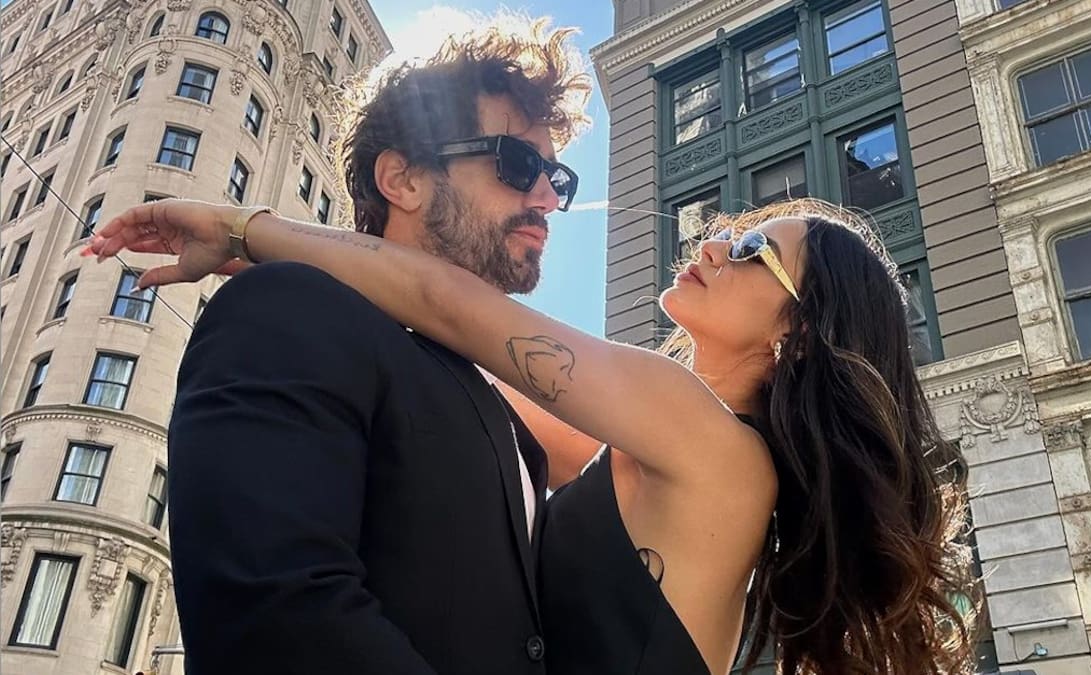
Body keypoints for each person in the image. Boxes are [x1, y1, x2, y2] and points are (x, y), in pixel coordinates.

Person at [89, 192, 981, 673]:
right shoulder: (661, 449)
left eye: (754, 254)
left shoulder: (705, 437)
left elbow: (450, 305)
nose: (713, 243)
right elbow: (443, 379)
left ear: (798, 332)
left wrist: (244, 228)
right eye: (730, 230)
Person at [119, 16, 591, 675]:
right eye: (518, 164)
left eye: (556, 177)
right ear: (402, 179)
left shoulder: (501, 405)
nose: (546, 198)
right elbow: (276, 621)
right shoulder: (288, 309)